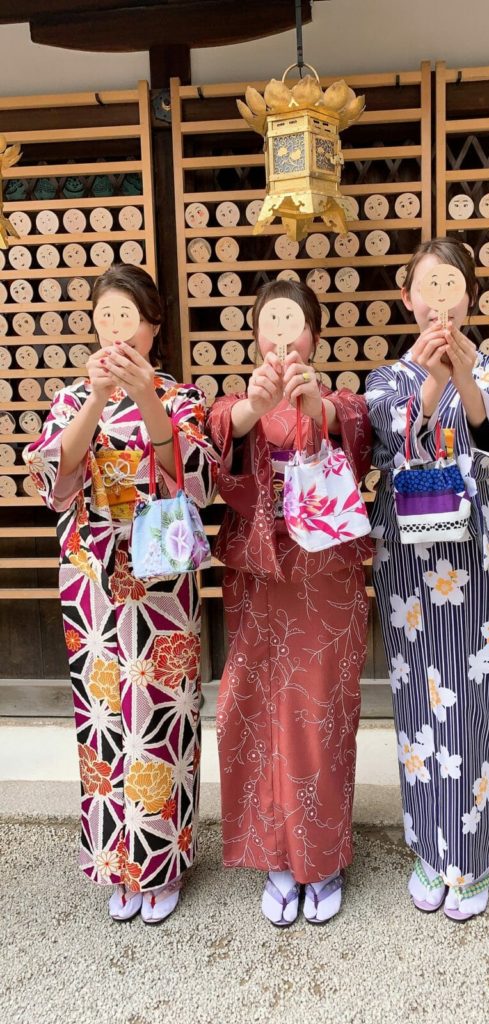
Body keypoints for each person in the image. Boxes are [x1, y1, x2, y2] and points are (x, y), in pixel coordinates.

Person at [24, 264, 219, 924]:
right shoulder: (70, 398)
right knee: (106, 728)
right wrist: (97, 401)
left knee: (160, 726)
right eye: (106, 315)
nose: (117, 328)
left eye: (128, 316)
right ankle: (118, 862)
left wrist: (148, 403)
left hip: (161, 586)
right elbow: (56, 480)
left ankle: (161, 865)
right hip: (93, 582)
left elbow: (199, 483)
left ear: (153, 327)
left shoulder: (181, 396)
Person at [365, 238, 489, 921]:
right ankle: (429, 849)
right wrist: (432, 380)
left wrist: (465, 379)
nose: (438, 296)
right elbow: (388, 448)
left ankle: (474, 859)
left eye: (451, 284)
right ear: (408, 298)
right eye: (425, 285)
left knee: (481, 704)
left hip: (483, 559)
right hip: (413, 563)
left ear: (468, 296)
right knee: (421, 707)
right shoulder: (386, 379)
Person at [208, 280, 372, 926]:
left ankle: (322, 858)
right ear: (255, 334)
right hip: (258, 580)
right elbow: (215, 438)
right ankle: (276, 854)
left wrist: (316, 408)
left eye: (295, 323)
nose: (282, 334)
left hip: (322, 582)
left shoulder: (343, 404)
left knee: (319, 715)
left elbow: (357, 437)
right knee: (248, 711)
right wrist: (252, 408)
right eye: (271, 323)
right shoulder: (234, 404)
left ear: (314, 336)